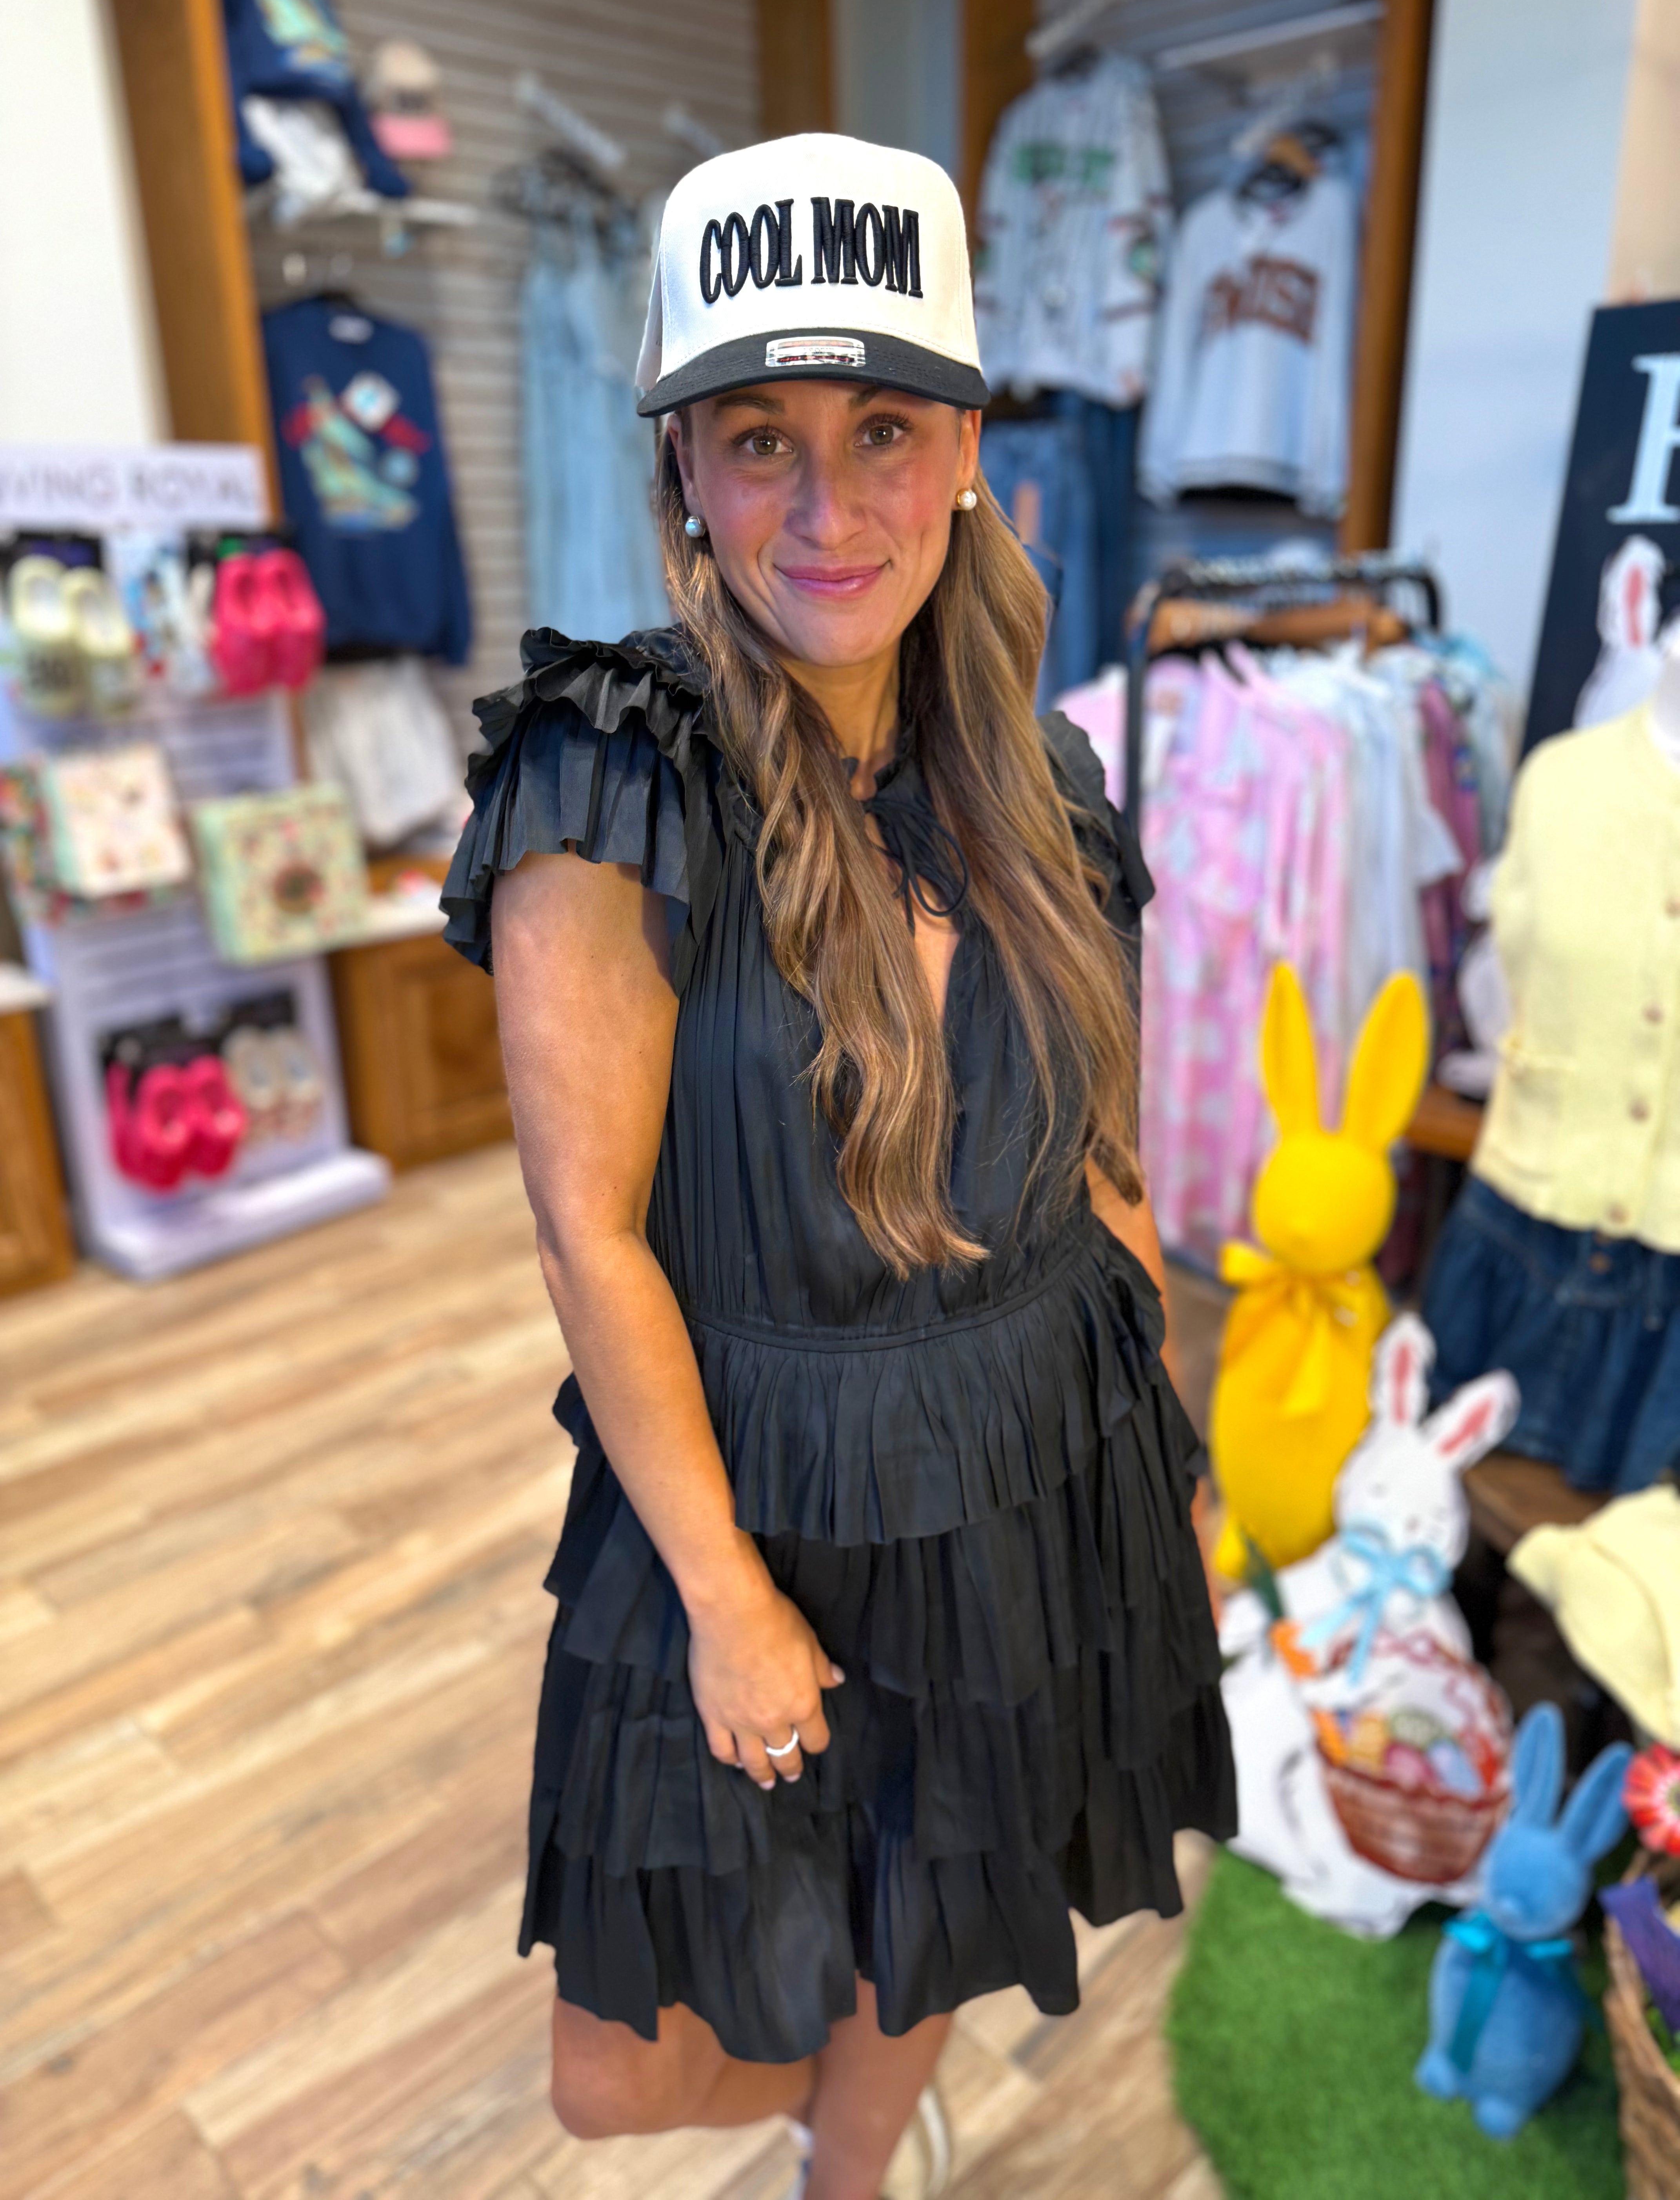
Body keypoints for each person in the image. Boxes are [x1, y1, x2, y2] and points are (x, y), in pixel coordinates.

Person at [443, 133, 1235, 2200]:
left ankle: (853, 2166)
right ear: (684, 470)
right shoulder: (615, 775)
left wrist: (1174, 1455)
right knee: (615, 2082)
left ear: (965, 450)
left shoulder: (1043, 780)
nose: (826, 506)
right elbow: (590, 1234)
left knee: (938, 1908)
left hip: (1036, 1447)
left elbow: (1098, 1159)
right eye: (759, 440)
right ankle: (833, 2120)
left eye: (882, 429)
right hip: (753, 1480)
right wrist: (723, 1600)